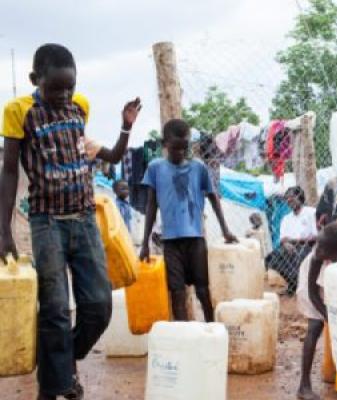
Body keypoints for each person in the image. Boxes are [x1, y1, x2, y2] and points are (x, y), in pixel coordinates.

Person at [0, 43, 141, 400]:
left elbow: (99, 152)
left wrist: (125, 128)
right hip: (47, 222)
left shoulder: (81, 108)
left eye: (70, 86)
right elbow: (9, 172)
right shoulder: (19, 111)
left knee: (98, 305)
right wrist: (3, 230)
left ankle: (60, 367)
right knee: (55, 309)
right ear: (35, 80)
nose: (64, 95)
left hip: (84, 219)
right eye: (55, 87)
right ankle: (53, 387)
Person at [139, 119, 237, 322]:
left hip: (195, 239)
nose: (181, 153)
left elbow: (213, 198)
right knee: (177, 292)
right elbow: (151, 206)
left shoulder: (198, 168)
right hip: (171, 242)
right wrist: (145, 242)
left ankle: (211, 330)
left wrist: (225, 230)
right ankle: (184, 335)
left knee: (203, 290)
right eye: (176, 148)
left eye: (185, 148)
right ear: (164, 144)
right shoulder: (155, 168)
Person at [296, 221, 337, 400]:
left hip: (332, 281)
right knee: (314, 327)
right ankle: (304, 386)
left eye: (322, 247)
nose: (317, 249)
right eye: (317, 244)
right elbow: (313, 294)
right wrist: (327, 316)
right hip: (311, 284)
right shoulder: (316, 257)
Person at [265, 186, 317, 295]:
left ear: (300, 197)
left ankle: (302, 284)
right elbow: (282, 238)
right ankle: (292, 283)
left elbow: (315, 237)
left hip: (307, 245)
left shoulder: (311, 213)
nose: (289, 200)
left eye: (292, 197)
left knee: (299, 255)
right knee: (270, 259)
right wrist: (286, 243)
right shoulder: (286, 218)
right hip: (288, 245)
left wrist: (294, 240)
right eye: (287, 199)